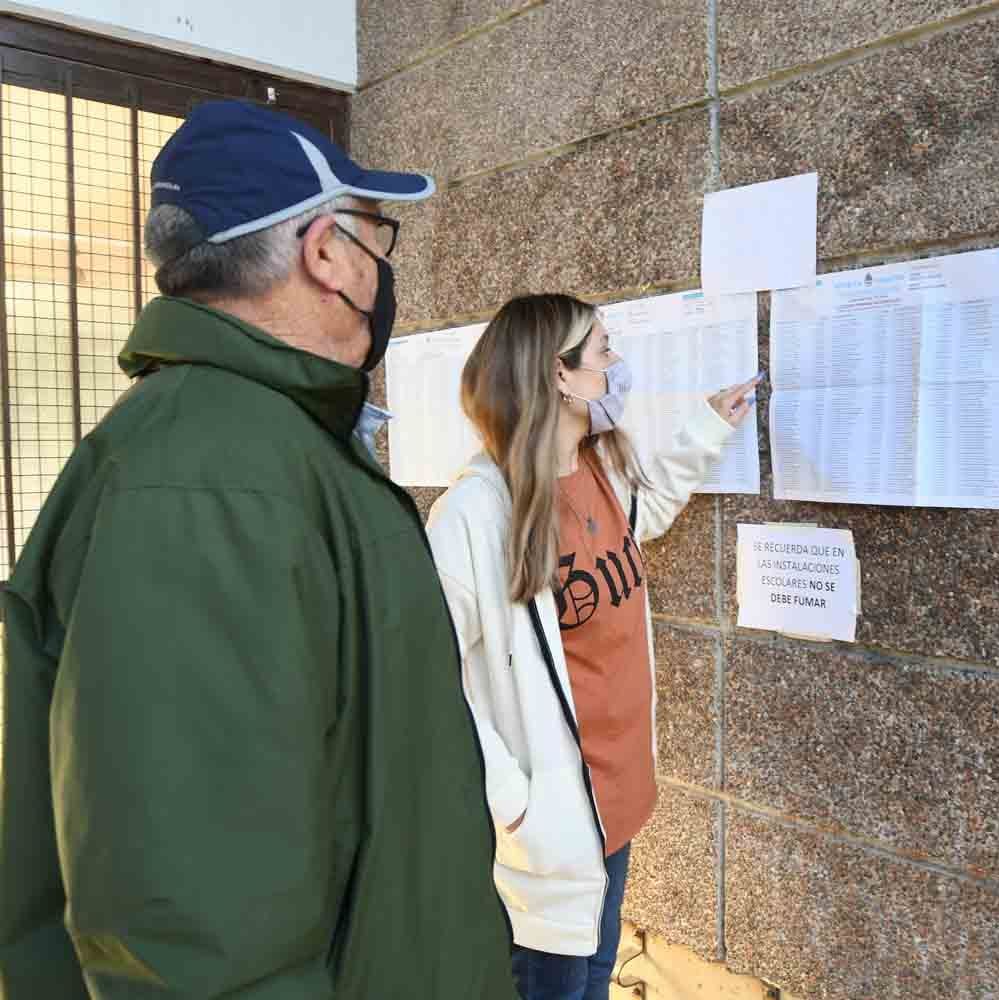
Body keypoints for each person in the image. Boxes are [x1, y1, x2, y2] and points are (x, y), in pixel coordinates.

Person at [0, 100, 516, 999]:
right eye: (374, 237)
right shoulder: (208, 480)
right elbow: (194, 932)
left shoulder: (262, 443)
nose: (381, 266)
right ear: (325, 253)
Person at [426, 294, 757, 1000]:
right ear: (559, 376)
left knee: (593, 981)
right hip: (548, 835)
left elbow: (644, 517)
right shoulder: (475, 513)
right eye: (603, 350)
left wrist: (707, 426)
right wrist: (517, 804)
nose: (617, 365)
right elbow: (427, 678)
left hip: (615, 804)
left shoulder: (596, 471)